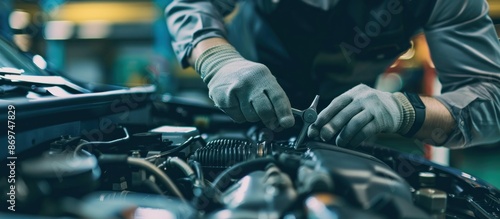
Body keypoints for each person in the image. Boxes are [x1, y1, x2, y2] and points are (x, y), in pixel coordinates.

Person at [165, 0, 500, 148]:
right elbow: (192, 4)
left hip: (349, 138)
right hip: (239, 125)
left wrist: (405, 110)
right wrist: (220, 61)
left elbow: (490, 98)